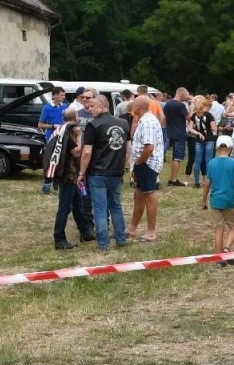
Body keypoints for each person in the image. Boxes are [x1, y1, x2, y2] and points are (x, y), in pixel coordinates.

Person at [77, 94, 130, 252]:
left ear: (101, 106)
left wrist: (81, 172)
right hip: (116, 171)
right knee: (116, 206)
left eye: (92, 106)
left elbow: (87, 152)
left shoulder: (93, 125)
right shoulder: (123, 123)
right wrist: (122, 165)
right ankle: (121, 240)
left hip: (97, 173)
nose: (89, 109)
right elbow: (129, 149)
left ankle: (103, 244)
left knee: (100, 208)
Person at [49, 103, 95, 250]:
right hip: (68, 175)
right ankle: (59, 238)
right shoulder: (69, 132)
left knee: (78, 204)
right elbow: (76, 152)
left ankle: (85, 232)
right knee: (64, 207)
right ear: (76, 118)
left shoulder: (61, 129)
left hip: (71, 175)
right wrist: (80, 136)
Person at [202, 135, 234, 261]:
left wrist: (204, 201)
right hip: (230, 200)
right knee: (233, 226)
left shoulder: (212, 163)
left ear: (216, 147)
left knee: (218, 228)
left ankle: (218, 257)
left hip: (215, 200)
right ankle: (227, 248)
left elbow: (207, 184)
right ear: (231, 148)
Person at [129, 95, 165, 241]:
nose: (132, 107)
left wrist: (138, 163)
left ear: (137, 107)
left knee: (149, 196)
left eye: (133, 105)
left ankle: (151, 232)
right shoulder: (144, 120)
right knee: (138, 195)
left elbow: (149, 148)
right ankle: (132, 228)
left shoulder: (148, 122)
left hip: (147, 164)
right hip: (142, 163)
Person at [38, 88, 67, 195]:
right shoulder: (47, 108)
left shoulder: (65, 106)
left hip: (63, 137)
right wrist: (53, 126)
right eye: (61, 95)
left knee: (62, 161)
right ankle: (46, 184)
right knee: (51, 161)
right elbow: (40, 124)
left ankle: (57, 182)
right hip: (51, 138)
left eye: (64, 95)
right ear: (54, 95)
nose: (63, 97)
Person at [162, 88, 189, 187]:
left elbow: (164, 118)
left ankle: (173, 178)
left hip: (171, 132)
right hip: (180, 133)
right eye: (186, 94)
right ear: (181, 93)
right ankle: (173, 179)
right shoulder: (181, 105)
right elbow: (189, 117)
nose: (186, 97)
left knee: (174, 157)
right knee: (178, 157)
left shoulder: (167, 104)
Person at [188, 95, 216, 188]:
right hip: (209, 139)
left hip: (198, 140)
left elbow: (190, 128)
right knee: (208, 161)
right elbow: (214, 128)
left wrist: (198, 133)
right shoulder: (209, 115)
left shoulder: (194, 115)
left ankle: (196, 182)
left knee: (197, 160)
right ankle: (208, 181)